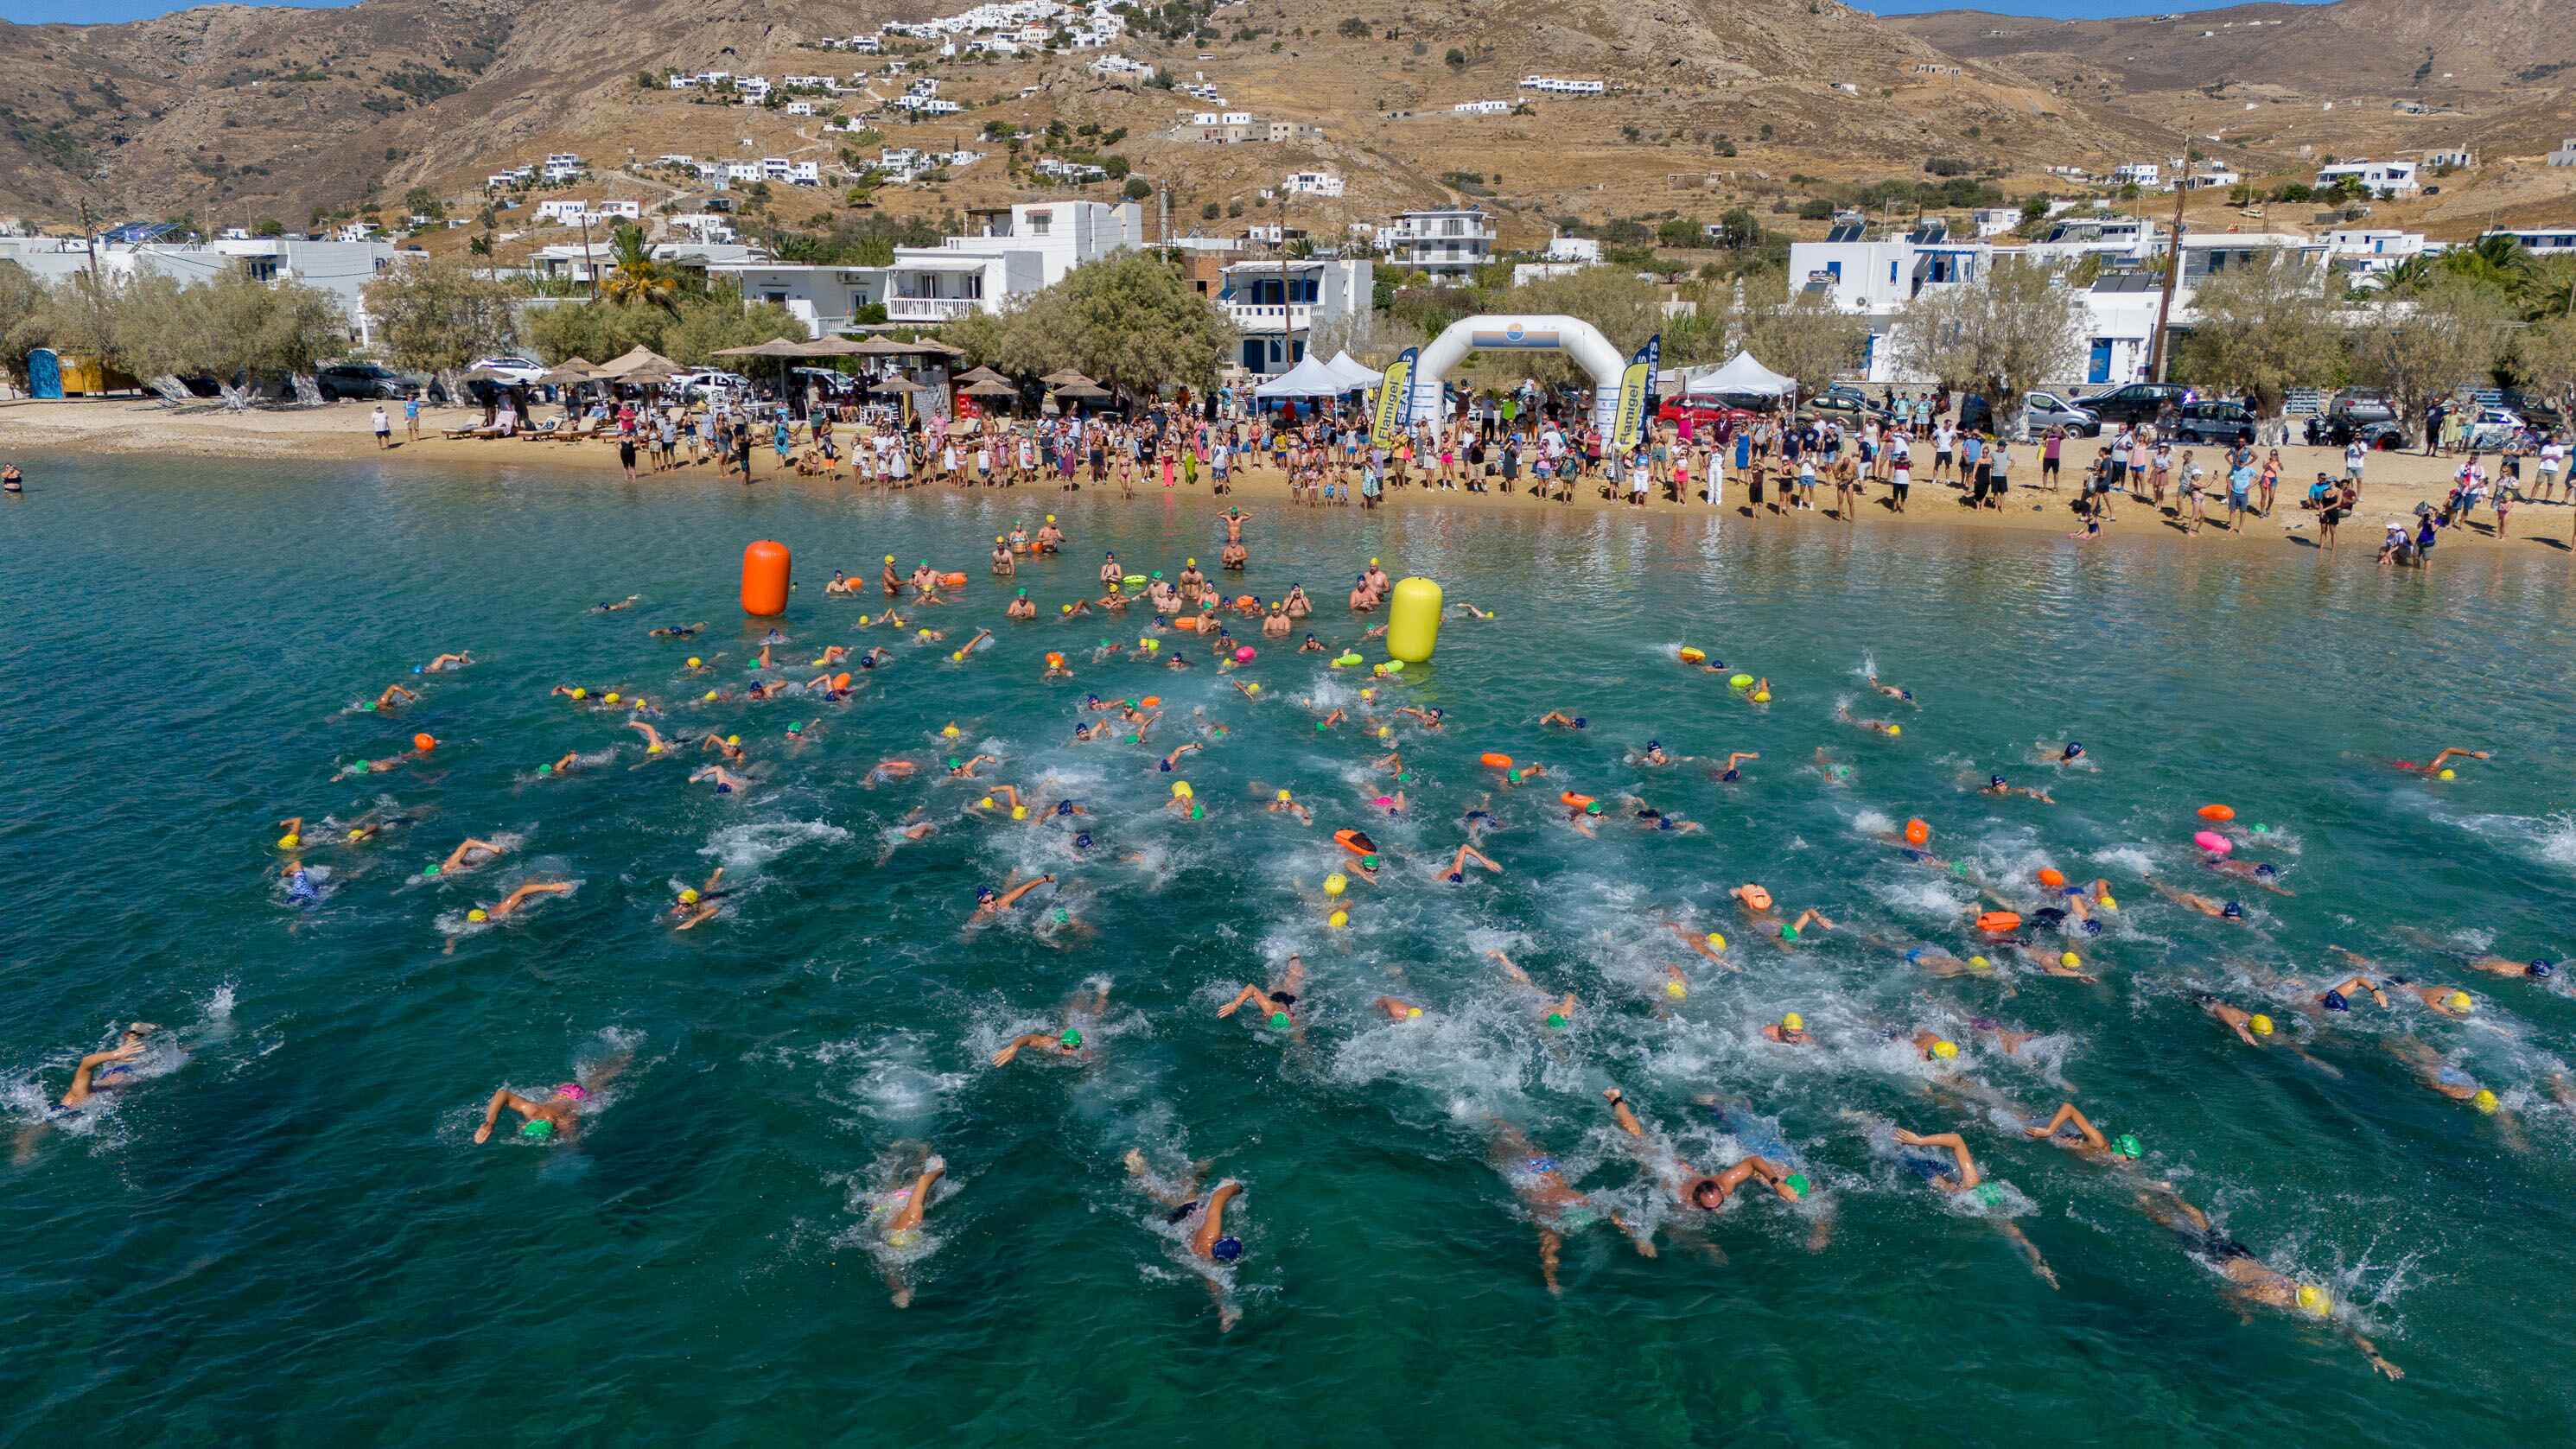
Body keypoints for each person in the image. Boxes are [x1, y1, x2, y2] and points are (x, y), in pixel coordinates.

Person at [1123, 1148, 1248, 1330]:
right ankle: (1192, 1171)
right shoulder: (1207, 1260)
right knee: (1179, 1194)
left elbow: (1218, 1198)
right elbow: (1214, 1284)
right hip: (1178, 1225)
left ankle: (1139, 1169)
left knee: (1174, 1194)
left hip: (1188, 1215)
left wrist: (1236, 1187)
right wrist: (1224, 1310)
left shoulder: (1211, 1235)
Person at [471, 1051, 627, 1145]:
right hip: (566, 1092)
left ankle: (624, 1059)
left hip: (579, 1097)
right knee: (598, 1077)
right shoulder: (533, 1111)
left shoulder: (564, 1122)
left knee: (600, 1081)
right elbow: (502, 1093)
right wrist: (489, 1122)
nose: (523, 1126)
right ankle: (622, 1059)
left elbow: (572, 1143)